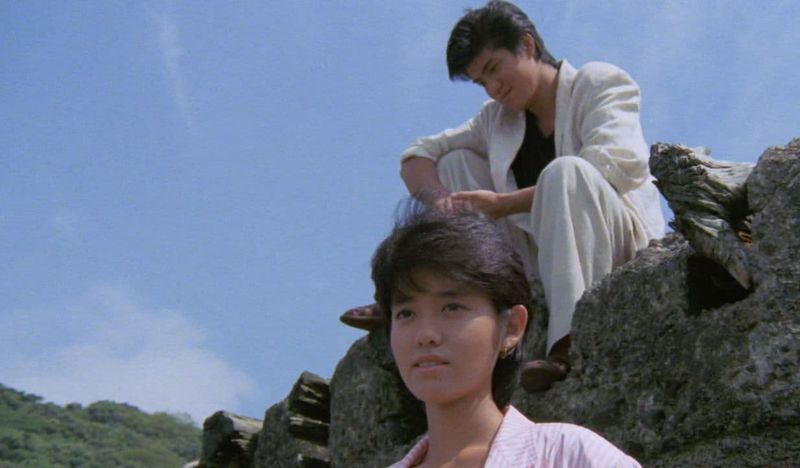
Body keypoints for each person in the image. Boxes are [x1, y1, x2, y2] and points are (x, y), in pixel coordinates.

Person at [341, 0, 664, 392]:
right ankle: (419, 292)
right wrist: (444, 204)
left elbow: (612, 167)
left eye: (494, 68)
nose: (493, 87)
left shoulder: (598, 81)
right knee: (456, 162)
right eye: (481, 81)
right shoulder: (496, 119)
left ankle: (565, 345)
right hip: (542, 257)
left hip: (615, 239)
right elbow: (417, 157)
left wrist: (503, 205)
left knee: (567, 172)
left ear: (527, 45)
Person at [373, 205, 641, 467]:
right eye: (406, 313)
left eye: (452, 308)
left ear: (511, 327)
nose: (425, 335)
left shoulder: (570, 455)